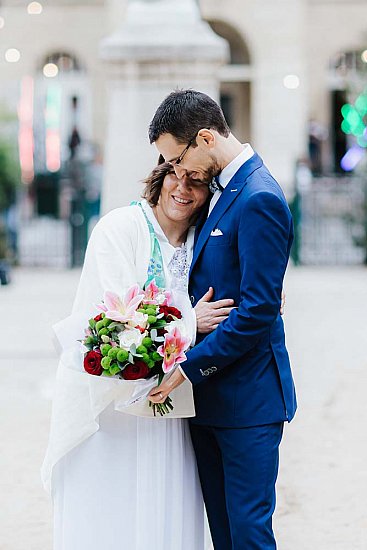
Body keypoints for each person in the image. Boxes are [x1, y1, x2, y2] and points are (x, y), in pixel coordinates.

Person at [41, 160, 236, 550]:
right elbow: (117, 317)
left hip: (171, 406)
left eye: (196, 181)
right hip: (109, 406)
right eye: (175, 176)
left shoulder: (204, 242)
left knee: (164, 511)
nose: (182, 189)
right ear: (159, 177)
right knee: (109, 513)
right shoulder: (119, 228)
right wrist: (187, 321)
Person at [149, 89, 297, 549]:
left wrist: (187, 369)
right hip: (211, 402)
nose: (179, 173)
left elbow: (256, 312)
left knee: (249, 535)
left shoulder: (259, 197)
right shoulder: (220, 190)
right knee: (224, 535)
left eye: (180, 160)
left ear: (206, 138)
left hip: (249, 401)